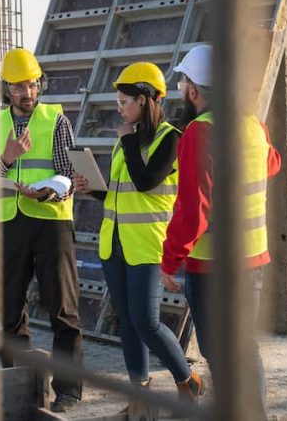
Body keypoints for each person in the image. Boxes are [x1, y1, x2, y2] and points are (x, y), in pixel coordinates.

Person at [72, 62, 205, 409]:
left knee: (147, 322)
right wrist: (94, 189)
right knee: (127, 321)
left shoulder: (171, 138)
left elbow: (147, 182)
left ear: (145, 100)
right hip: (113, 242)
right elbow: (123, 192)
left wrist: (129, 142)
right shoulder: (126, 140)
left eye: (124, 101)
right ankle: (140, 392)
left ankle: (186, 379)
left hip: (148, 244)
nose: (119, 108)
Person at [159, 44, 281, 416]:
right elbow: (271, 164)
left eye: (183, 81)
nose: (180, 87)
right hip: (252, 258)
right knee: (246, 349)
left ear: (193, 91)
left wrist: (169, 261)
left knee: (218, 352)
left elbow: (193, 211)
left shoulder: (199, 133)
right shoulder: (253, 126)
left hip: (212, 266)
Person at [0, 47, 84, 414]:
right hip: (9, 224)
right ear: (6, 88)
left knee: (63, 311)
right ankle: (18, 384)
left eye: (32, 84)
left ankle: (68, 390)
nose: (27, 92)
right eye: (18, 86)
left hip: (52, 223)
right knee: (8, 311)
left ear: (40, 84)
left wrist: (55, 188)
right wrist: (6, 158)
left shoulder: (56, 120)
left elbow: (69, 171)